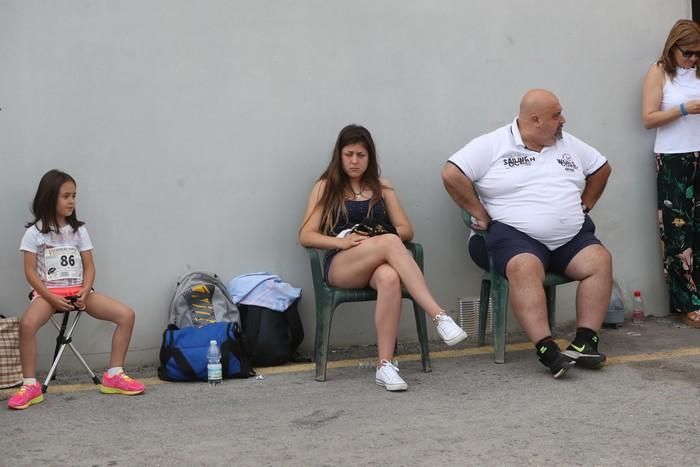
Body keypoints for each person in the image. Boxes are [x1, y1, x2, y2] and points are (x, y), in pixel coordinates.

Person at [442, 89, 613, 379]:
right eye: (557, 115)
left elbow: (602, 169)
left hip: (569, 238)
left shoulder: (567, 144)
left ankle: (585, 341)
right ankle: (546, 348)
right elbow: (451, 174)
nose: (563, 120)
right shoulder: (494, 144)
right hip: (514, 236)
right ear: (535, 120)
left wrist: (587, 203)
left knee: (599, 260)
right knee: (525, 266)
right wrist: (479, 212)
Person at [299, 124, 467, 391]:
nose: (354, 161)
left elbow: (406, 230)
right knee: (390, 241)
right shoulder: (325, 187)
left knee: (389, 277)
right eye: (349, 154)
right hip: (342, 266)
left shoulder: (382, 187)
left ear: (370, 157)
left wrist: (376, 236)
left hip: (377, 263)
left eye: (361, 155)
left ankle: (385, 366)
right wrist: (341, 241)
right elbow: (306, 235)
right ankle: (438, 316)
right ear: (339, 156)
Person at [8, 170, 145, 410]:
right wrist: (50, 297)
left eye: (74, 196)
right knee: (27, 324)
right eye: (66, 196)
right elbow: (30, 272)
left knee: (127, 315)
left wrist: (85, 290)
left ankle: (114, 374)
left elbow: (90, 266)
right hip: (48, 295)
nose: (72, 201)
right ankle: (30, 385)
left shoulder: (79, 231)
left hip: (80, 293)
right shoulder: (34, 234)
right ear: (49, 198)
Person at [642, 19, 700, 328]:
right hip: (674, 156)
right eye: (688, 53)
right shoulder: (660, 72)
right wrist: (683, 109)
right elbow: (648, 118)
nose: (693, 59)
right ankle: (687, 302)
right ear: (673, 48)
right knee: (678, 231)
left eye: (698, 54)